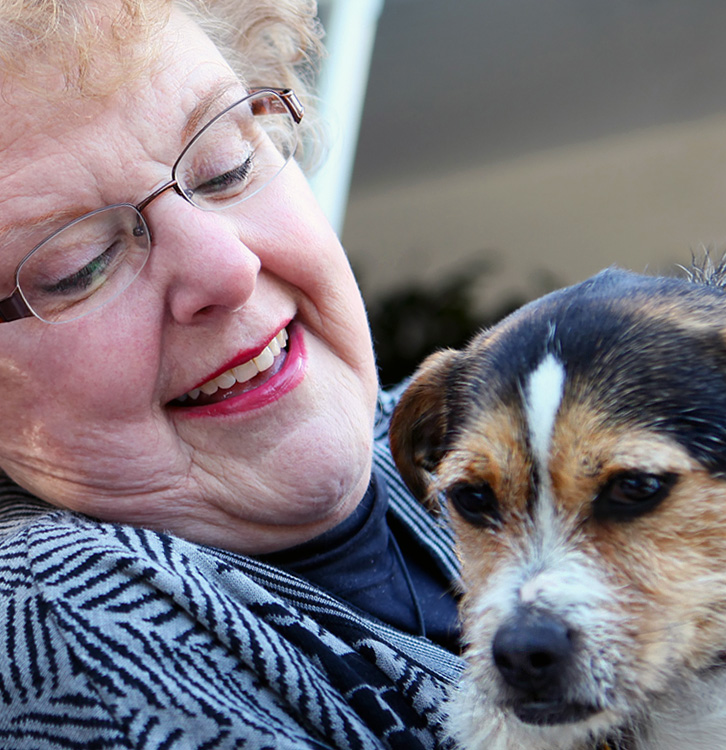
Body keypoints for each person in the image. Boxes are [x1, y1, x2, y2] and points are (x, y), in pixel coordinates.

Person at [0, 1, 463, 747]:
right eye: (79, 265)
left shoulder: (469, 432)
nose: (230, 269)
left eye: (226, 165)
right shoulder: (62, 616)